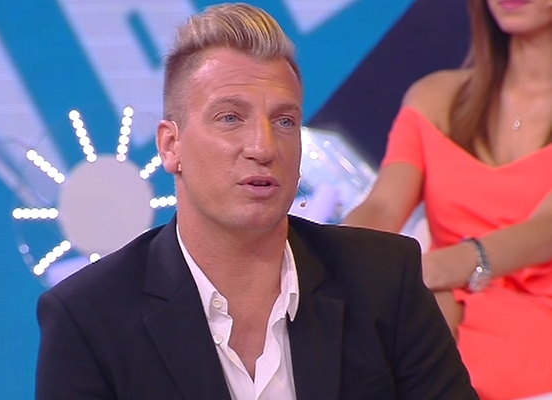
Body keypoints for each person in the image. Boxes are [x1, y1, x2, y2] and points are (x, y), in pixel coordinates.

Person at [35, 3, 477, 399]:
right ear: (171, 146)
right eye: (230, 118)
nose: (263, 147)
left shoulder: (383, 279)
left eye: (284, 121)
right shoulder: (89, 319)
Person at [343, 0, 552, 399]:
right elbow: (383, 206)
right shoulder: (434, 97)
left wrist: (426, 272)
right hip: (436, 299)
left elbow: (546, 230)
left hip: (534, 318)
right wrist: (336, 261)